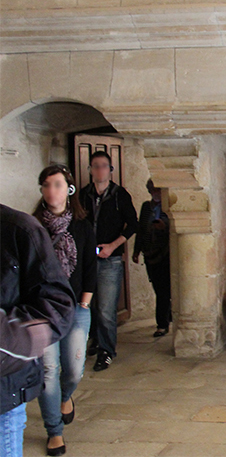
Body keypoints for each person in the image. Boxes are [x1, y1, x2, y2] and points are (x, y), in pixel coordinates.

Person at [33, 165, 97, 456]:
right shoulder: (32, 226)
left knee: (73, 368)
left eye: (57, 185)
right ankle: (54, 431)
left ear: (69, 189)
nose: (51, 191)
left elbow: (88, 266)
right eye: (46, 185)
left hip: (74, 306)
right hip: (41, 308)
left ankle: (66, 396)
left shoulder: (81, 225)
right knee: (48, 370)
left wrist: (84, 301)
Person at [1, 205, 75, 457]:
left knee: (61, 370)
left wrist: (9, 334)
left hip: (3, 392)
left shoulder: (20, 229)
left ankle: (55, 427)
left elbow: (57, 305)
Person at [79, 151, 137, 372]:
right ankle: (95, 340)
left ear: (110, 170)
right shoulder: (84, 195)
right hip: (87, 259)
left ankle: (106, 351)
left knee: (105, 308)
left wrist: (113, 245)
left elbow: (133, 225)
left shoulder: (120, 195)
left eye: (104, 166)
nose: (99, 170)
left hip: (110, 259)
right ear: (91, 169)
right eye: (95, 166)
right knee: (87, 304)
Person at [132, 180, 171, 338]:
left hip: (165, 254)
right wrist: (136, 250)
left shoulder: (169, 206)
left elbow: (173, 227)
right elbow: (141, 229)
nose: (155, 192)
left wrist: (164, 227)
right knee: (158, 288)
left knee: (164, 290)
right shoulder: (146, 207)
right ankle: (165, 318)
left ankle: (162, 324)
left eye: (158, 189)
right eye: (152, 189)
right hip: (149, 254)